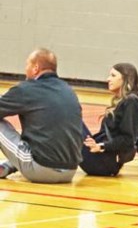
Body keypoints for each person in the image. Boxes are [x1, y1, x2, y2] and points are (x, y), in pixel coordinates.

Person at [0, 49, 83, 183]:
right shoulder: (69, 90)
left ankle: (17, 164)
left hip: (42, 169)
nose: (25, 69)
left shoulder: (26, 89)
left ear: (35, 68)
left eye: (27, 65)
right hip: (70, 170)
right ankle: (8, 165)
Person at [80, 63, 138, 177]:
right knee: (74, 122)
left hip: (105, 162)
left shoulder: (131, 102)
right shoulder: (123, 102)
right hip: (103, 157)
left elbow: (128, 139)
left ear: (125, 79)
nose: (108, 79)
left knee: (73, 120)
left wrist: (101, 146)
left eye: (113, 76)